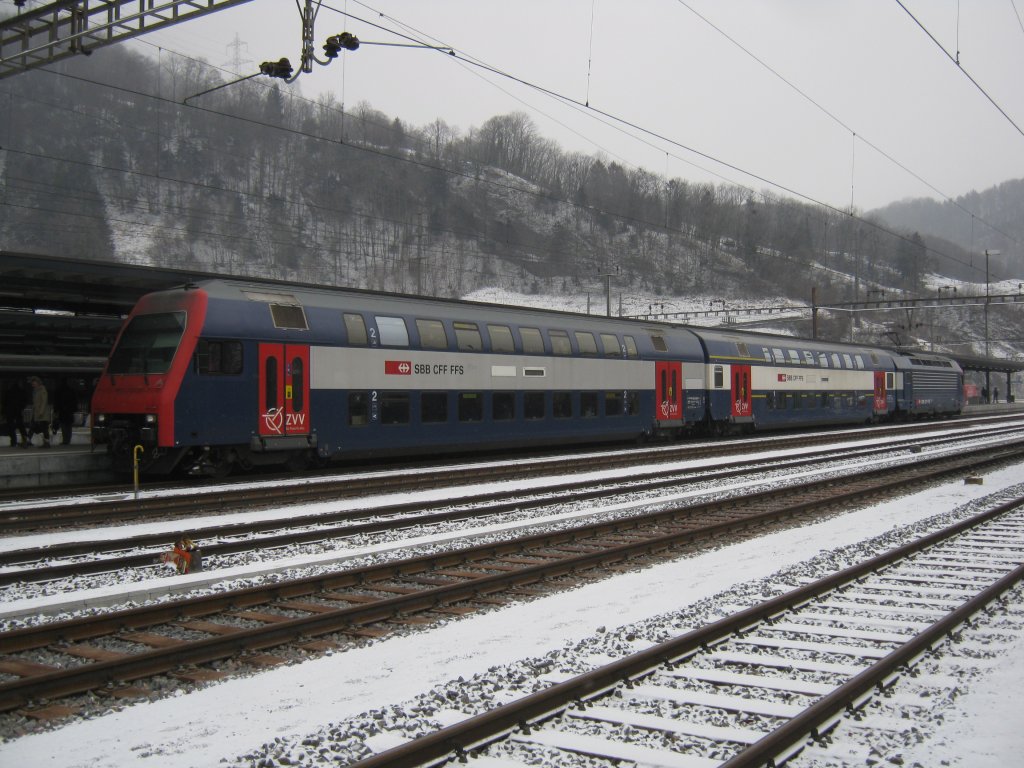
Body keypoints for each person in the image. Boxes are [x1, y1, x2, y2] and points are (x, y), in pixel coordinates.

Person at [25, 376, 51, 449]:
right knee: (32, 426)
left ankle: (47, 442)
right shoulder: (35, 390)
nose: (33, 385)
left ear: (38, 383)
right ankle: (28, 441)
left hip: (42, 413)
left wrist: (41, 412)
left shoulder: (42, 390)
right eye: (32, 384)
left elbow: (44, 401)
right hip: (36, 412)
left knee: (44, 428)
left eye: (34, 383)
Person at [3, 380, 29, 447]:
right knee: (21, 426)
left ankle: (13, 442)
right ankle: (25, 440)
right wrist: (21, 407)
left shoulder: (8, 392)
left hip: (10, 412)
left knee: (11, 427)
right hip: (18, 411)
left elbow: (5, 403)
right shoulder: (22, 392)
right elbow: (25, 401)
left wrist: (4, 412)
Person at [52, 379, 78, 446]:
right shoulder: (71, 390)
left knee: (64, 426)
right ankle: (68, 439)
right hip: (69, 411)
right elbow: (74, 401)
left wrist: (55, 410)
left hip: (62, 411)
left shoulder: (58, 391)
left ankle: (65, 440)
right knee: (69, 426)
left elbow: (56, 402)